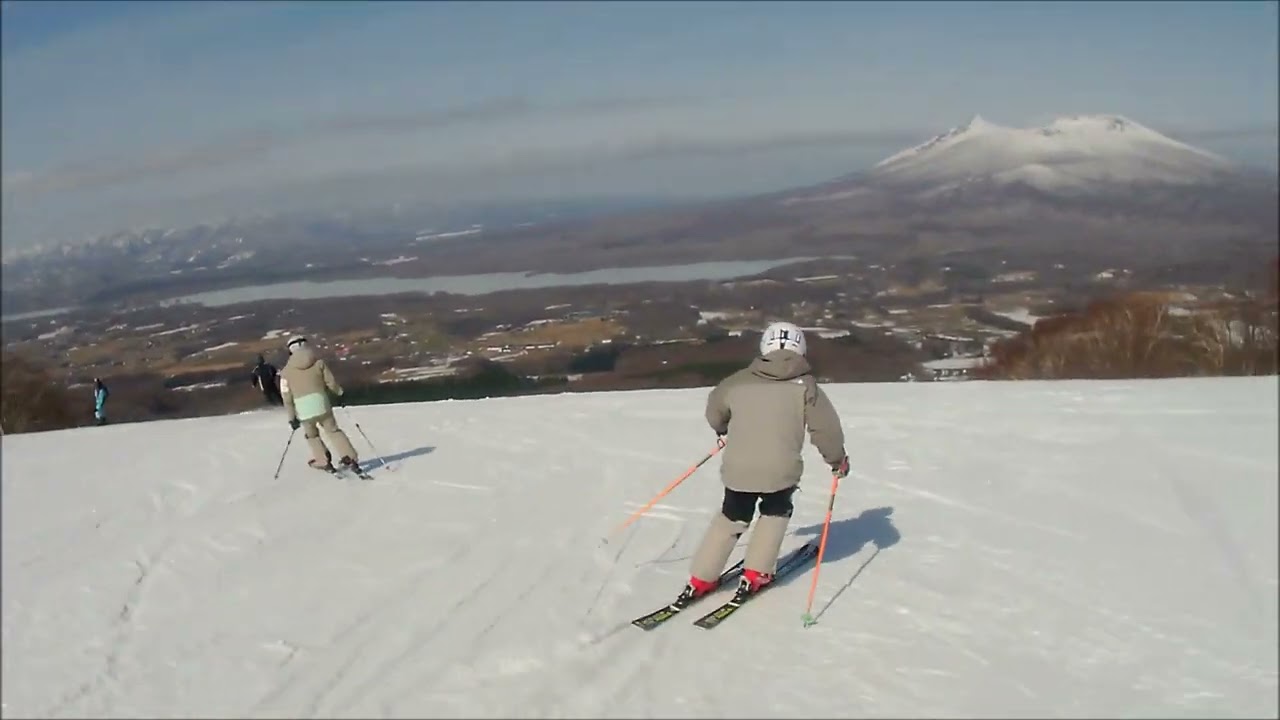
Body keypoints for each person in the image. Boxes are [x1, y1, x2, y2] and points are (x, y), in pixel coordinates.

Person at [681, 321, 849, 601]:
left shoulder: (737, 381)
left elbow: (714, 411)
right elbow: (826, 429)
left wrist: (722, 428)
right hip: (780, 469)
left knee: (732, 514)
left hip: (739, 466)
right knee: (775, 511)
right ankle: (756, 572)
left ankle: (701, 578)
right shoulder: (806, 386)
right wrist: (837, 460)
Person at [278, 335, 364, 475]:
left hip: (303, 410)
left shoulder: (286, 372)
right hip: (322, 404)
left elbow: (286, 397)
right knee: (333, 431)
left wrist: (291, 417)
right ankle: (350, 458)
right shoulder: (319, 363)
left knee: (312, 435)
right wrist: (340, 394)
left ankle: (323, 460)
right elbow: (331, 382)